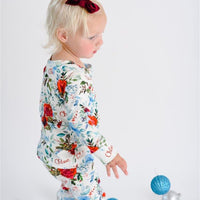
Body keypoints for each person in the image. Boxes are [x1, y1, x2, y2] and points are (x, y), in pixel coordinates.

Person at [36, 0, 128, 199]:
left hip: (52, 149)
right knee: (87, 192)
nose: (100, 42)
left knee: (76, 187)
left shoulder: (56, 62)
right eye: (92, 36)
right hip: (70, 157)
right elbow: (82, 124)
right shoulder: (73, 78)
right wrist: (109, 154)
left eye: (101, 34)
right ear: (64, 35)